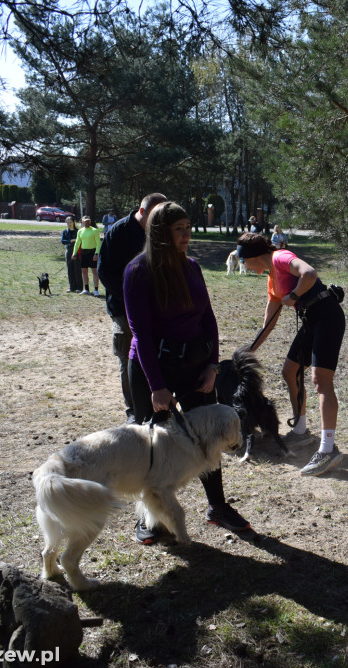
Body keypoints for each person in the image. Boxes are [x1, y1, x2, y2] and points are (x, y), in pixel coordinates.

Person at [124, 201, 250, 539]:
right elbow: (142, 334)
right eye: (179, 229)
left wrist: (212, 366)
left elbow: (208, 318)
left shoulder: (192, 268)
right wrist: (157, 386)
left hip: (195, 367)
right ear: (160, 233)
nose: (186, 235)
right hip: (153, 368)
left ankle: (218, 507)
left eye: (188, 228)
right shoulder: (138, 272)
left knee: (207, 436)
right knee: (152, 444)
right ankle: (150, 516)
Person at [237, 232, 347, 476]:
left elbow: (309, 273)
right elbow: (269, 323)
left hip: (327, 316)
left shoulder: (280, 257)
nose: (243, 264)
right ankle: (300, 430)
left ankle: (328, 449)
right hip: (311, 320)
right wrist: (247, 352)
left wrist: (295, 295)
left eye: (244, 260)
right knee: (290, 371)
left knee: (320, 380)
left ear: (254, 256)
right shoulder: (272, 281)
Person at [98, 193, 167, 422]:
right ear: (142, 211)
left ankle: (157, 407)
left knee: (155, 355)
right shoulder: (117, 233)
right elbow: (105, 273)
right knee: (128, 357)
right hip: (123, 308)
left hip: (154, 308)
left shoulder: (158, 233)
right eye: (155, 216)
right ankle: (134, 412)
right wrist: (131, 299)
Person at [72, 216, 102, 296]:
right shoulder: (80, 231)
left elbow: (98, 243)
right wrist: (74, 253)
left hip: (92, 252)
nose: (87, 222)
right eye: (85, 221)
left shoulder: (94, 230)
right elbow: (77, 243)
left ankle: (96, 290)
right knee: (84, 271)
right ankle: (86, 289)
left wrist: (96, 254)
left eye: (88, 221)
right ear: (82, 222)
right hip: (83, 253)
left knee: (94, 272)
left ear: (90, 222)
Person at [60, 217, 83, 292]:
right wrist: (71, 240)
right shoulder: (65, 231)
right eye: (67, 222)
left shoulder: (78, 231)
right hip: (68, 250)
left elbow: (80, 241)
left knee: (77, 269)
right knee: (70, 269)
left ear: (73, 222)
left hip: (76, 251)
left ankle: (79, 287)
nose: (69, 224)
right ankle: (72, 287)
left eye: (70, 222)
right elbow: (63, 241)